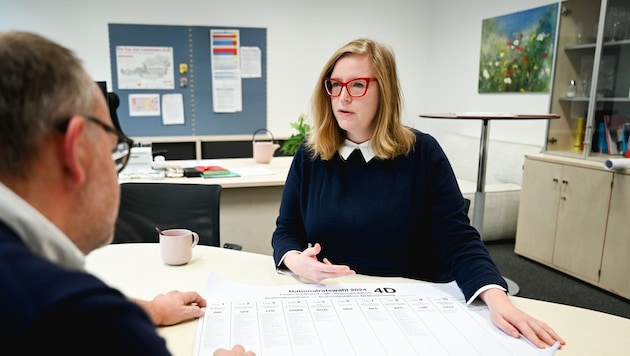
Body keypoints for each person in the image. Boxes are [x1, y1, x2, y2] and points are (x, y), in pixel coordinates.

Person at [271, 38, 565, 350]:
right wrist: (296, 261)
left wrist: (498, 299)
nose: (343, 97)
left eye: (357, 85)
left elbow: (458, 237)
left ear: (384, 91)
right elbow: (287, 231)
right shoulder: (310, 154)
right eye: (335, 85)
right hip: (334, 304)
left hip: (411, 308)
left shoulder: (422, 152)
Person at [0, 31, 253, 356]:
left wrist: (153, 310)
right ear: (77, 151)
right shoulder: (88, 321)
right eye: (113, 149)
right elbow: (79, 318)